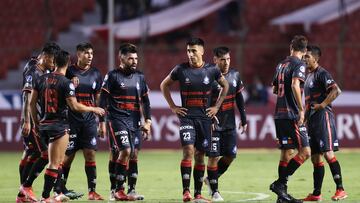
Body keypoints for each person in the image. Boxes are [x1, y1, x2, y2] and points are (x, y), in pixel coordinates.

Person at [29, 50, 105, 202]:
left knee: (48, 159)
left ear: (54, 62)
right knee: (55, 163)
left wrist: (36, 124)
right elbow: (75, 106)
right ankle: (46, 196)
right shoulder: (65, 82)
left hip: (43, 125)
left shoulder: (41, 79)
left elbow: (31, 103)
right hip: (59, 126)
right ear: (69, 63)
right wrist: (93, 108)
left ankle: (30, 190)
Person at [160, 37, 229, 202]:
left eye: (194, 51)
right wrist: (173, 107)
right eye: (188, 51)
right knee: (188, 151)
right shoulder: (180, 69)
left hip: (204, 119)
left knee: (200, 156)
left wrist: (217, 107)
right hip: (187, 118)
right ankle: (186, 191)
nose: (190, 54)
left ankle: (198, 193)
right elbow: (164, 85)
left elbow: (225, 85)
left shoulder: (212, 70)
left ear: (202, 52)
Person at [99, 43, 152, 201]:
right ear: (121, 58)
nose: (134, 61)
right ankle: (116, 189)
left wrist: (148, 121)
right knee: (123, 151)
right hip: (117, 120)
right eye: (130, 58)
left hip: (134, 121)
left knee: (133, 154)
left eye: (136, 58)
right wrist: (102, 121)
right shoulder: (112, 75)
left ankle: (131, 189)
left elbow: (146, 101)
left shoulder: (140, 77)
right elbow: (103, 98)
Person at [54, 43, 104, 200]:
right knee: (67, 157)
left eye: (91, 53)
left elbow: (98, 99)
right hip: (70, 120)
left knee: (90, 155)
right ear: (78, 55)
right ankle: (60, 189)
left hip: (89, 121)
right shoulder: (68, 71)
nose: (90, 56)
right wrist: (69, 77)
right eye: (86, 53)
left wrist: (101, 121)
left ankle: (92, 191)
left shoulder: (96, 73)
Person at [269, 35, 311, 203]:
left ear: (290, 47)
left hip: (279, 114)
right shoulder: (299, 64)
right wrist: (301, 109)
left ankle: (282, 196)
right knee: (305, 151)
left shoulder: (281, 64)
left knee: (286, 153)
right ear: (305, 50)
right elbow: (295, 85)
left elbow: (273, 88)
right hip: (291, 114)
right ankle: (280, 184)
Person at [302, 45, 347, 201]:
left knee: (328, 153)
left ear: (316, 58)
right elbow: (308, 104)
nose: (304, 59)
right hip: (312, 121)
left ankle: (340, 189)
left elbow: (336, 90)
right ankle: (316, 193)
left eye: (307, 56)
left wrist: (322, 105)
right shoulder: (308, 77)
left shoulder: (322, 73)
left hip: (323, 119)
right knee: (315, 157)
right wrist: (304, 120)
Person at [18, 42, 60, 203]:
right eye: (53, 60)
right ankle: (25, 187)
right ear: (46, 56)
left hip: (38, 118)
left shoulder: (36, 64)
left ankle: (22, 195)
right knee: (43, 153)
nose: (54, 64)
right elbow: (26, 97)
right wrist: (27, 120)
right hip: (34, 119)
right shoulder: (34, 72)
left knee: (31, 152)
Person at [204, 46, 247, 195]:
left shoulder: (235, 74)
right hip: (213, 124)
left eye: (228, 59)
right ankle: (215, 191)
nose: (226, 62)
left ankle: (210, 179)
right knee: (213, 157)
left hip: (229, 123)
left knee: (230, 155)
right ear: (215, 60)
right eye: (223, 60)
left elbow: (239, 98)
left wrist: (244, 118)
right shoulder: (208, 76)